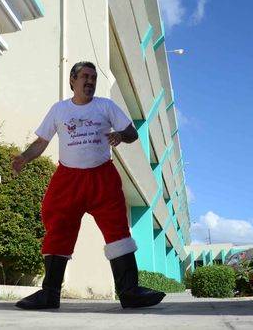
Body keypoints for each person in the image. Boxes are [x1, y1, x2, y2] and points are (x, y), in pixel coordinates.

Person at [13, 61, 166, 310]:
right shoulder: (59, 110)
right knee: (58, 227)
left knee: (118, 230)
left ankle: (129, 292)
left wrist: (120, 136)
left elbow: (132, 133)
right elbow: (41, 142)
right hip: (67, 179)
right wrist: (23, 158)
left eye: (93, 77)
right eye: (85, 76)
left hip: (102, 179)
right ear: (72, 80)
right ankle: (49, 293)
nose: (90, 81)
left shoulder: (105, 106)